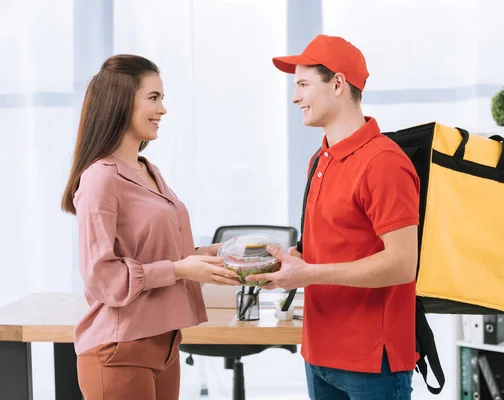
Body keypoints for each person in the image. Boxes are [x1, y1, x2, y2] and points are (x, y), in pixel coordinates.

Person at [246, 35, 420, 399]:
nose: (295, 97)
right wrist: (288, 263)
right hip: (319, 353)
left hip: (373, 362)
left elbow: (403, 264)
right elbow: (333, 248)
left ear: (338, 84)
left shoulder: (383, 163)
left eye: (303, 85)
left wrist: (309, 274)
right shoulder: (319, 160)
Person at [61, 54, 240, 400]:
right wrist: (177, 269)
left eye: (163, 99)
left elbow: (163, 255)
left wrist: (212, 255)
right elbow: (101, 277)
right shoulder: (100, 179)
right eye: (153, 98)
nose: (163, 110)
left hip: (165, 344)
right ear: (121, 102)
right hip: (119, 349)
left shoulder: (149, 170)